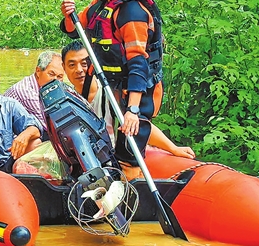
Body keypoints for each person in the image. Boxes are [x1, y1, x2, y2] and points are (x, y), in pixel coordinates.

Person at [60, 0, 171, 180]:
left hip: (139, 91)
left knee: (128, 151)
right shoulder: (102, 4)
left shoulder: (132, 13)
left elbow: (138, 63)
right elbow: (74, 30)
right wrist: (68, 15)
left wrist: (132, 109)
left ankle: (132, 196)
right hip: (113, 87)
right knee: (106, 141)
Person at [62, 41, 195, 160]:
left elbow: (136, 125)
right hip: (85, 161)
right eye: (72, 65)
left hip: (113, 158)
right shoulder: (66, 100)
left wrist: (173, 148)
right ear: (64, 67)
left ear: (92, 65)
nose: (79, 70)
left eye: (84, 64)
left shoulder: (110, 93)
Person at [3, 50, 64, 130]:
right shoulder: (27, 91)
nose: (55, 80)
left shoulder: (48, 88)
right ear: (38, 71)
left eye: (59, 77)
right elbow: (48, 126)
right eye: (51, 74)